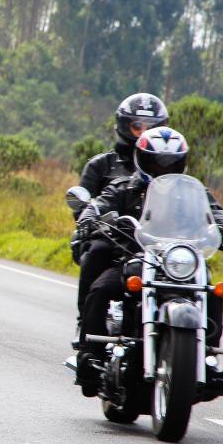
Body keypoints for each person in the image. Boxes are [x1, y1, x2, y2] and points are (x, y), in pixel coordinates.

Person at [74, 126, 223, 396]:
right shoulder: (123, 186)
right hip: (135, 257)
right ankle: (90, 356)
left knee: (211, 291)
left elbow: (216, 216)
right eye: (156, 161)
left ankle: (207, 360)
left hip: (179, 262)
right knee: (101, 289)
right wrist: (91, 216)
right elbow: (101, 203)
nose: (163, 167)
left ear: (182, 162)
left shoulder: (195, 192)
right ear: (141, 158)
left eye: (172, 162)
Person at [73, 93, 169, 332]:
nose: (144, 132)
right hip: (112, 239)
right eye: (138, 126)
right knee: (97, 251)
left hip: (157, 244)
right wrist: (92, 219)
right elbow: (85, 206)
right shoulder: (102, 165)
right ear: (125, 126)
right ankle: (85, 320)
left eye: (152, 127)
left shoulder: (168, 170)